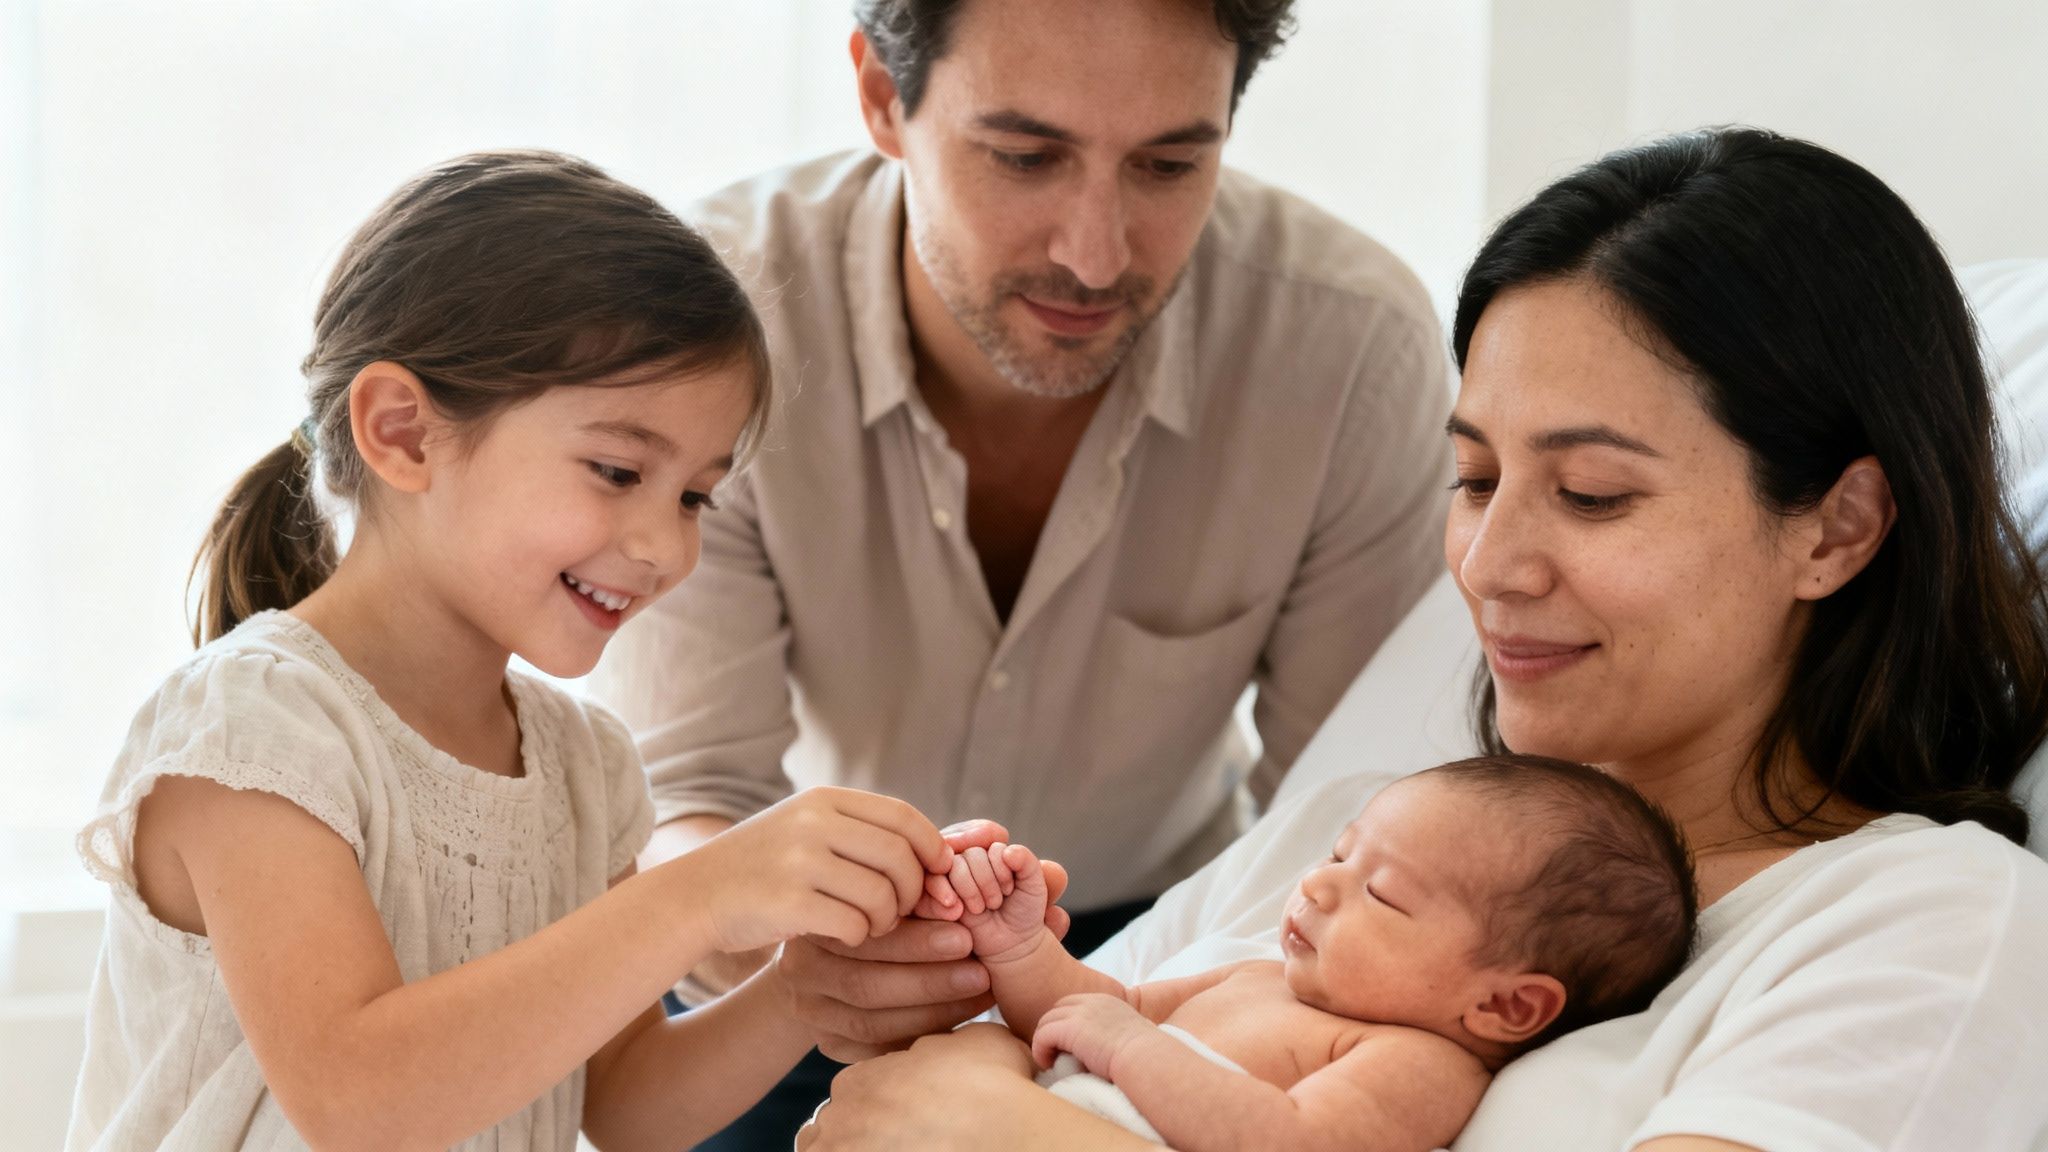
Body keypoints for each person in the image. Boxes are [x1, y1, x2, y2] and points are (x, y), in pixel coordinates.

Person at [792, 127, 2048, 1151]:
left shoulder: (1926, 922)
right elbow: (999, 1054)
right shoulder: (1351, 830)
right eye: (1473, 478)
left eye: (1593, 494)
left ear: (1835, 528)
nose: (1490, 565)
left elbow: (974, 1112)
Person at [591, 0, 1451, 1139]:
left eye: (1166, 164)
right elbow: (693, 796)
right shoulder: (715, 325)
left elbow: (1341, 808)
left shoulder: (1347, 350)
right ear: (881, 99)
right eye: (1024, 156)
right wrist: (813, 959)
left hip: (1177, 951)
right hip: (788, 962)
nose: (1093, 253)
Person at [65, 151, 968, 1152]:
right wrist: (700, 896)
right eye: (616, 469)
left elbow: (622, 1104)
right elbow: (357, 1100)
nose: (666, 547)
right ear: (403, 433)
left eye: (693, 496)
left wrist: (801, 994)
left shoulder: (581, 767)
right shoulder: (256, 729)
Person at [917, 756, 1696, 1149]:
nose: (1318, 887)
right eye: (1336, 856)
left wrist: (1129, 1049)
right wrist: (1016, 943)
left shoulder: (1417, 1062)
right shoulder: (1260, 978)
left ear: (1504, 1004)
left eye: (1383, 894)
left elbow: (1293, 1141)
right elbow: (1085, 1011)